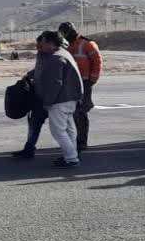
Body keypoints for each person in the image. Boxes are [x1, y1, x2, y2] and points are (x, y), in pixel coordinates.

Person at [29, 30, 84, 169]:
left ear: (51, 44)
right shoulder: (63, 53)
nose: (40, 46)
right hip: (71, 98)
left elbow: (55, 83)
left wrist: (48, 101)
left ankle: (71, 158)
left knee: (58, 130)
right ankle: (71, 155)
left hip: (60, 100)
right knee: (69, 129)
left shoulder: (55, 58)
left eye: (43, 43)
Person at [60, 22, 102, 153]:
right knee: (70, 113)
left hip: (84, 83)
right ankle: (73, 140)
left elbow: (97, 62)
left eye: (66, 32)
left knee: (81, 113)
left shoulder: (87, 43)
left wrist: (91, 81)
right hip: (69, 83)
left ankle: (82, 142)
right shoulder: (65, 45)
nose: (66, 36)